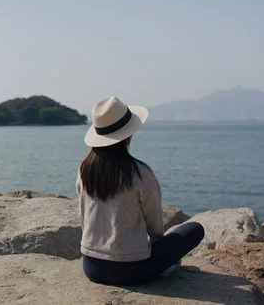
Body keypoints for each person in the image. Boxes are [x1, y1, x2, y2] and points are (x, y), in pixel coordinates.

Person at [77, 96, 205, 286]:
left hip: (91, 266)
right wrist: (159, 249)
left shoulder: (84, 169)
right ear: (128, 134)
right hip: (132, 271)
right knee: (195, 229)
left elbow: (83, 217)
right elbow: (155, 227)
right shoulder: (140, 172)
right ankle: (165, 268)